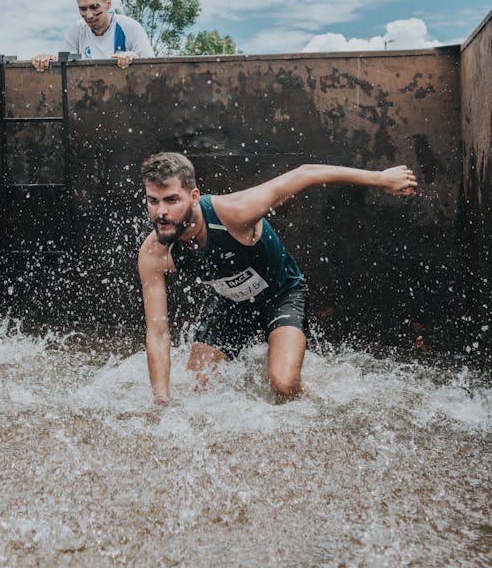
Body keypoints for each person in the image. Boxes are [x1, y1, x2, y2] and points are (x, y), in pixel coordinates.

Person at [137, 152, 417, 405]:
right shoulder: (153, 253)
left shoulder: (234, 212)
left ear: (194, 197)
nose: (161, 213)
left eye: (172, 200)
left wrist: (381, 179)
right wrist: (161, 400)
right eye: (153, 201)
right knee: (196, 390)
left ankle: (318, 401)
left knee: (283, 385)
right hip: (230, 305)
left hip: (281, 294)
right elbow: (158, 332)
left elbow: (306, 173)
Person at [32, 0, 153, 71]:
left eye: (94, 7)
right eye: (83, 9)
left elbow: (152, 67)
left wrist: (135, 57)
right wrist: (46, 60)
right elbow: (63, 70)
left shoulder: (129, 27)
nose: (89, 15)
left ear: (108, 4)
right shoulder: (77, 30)